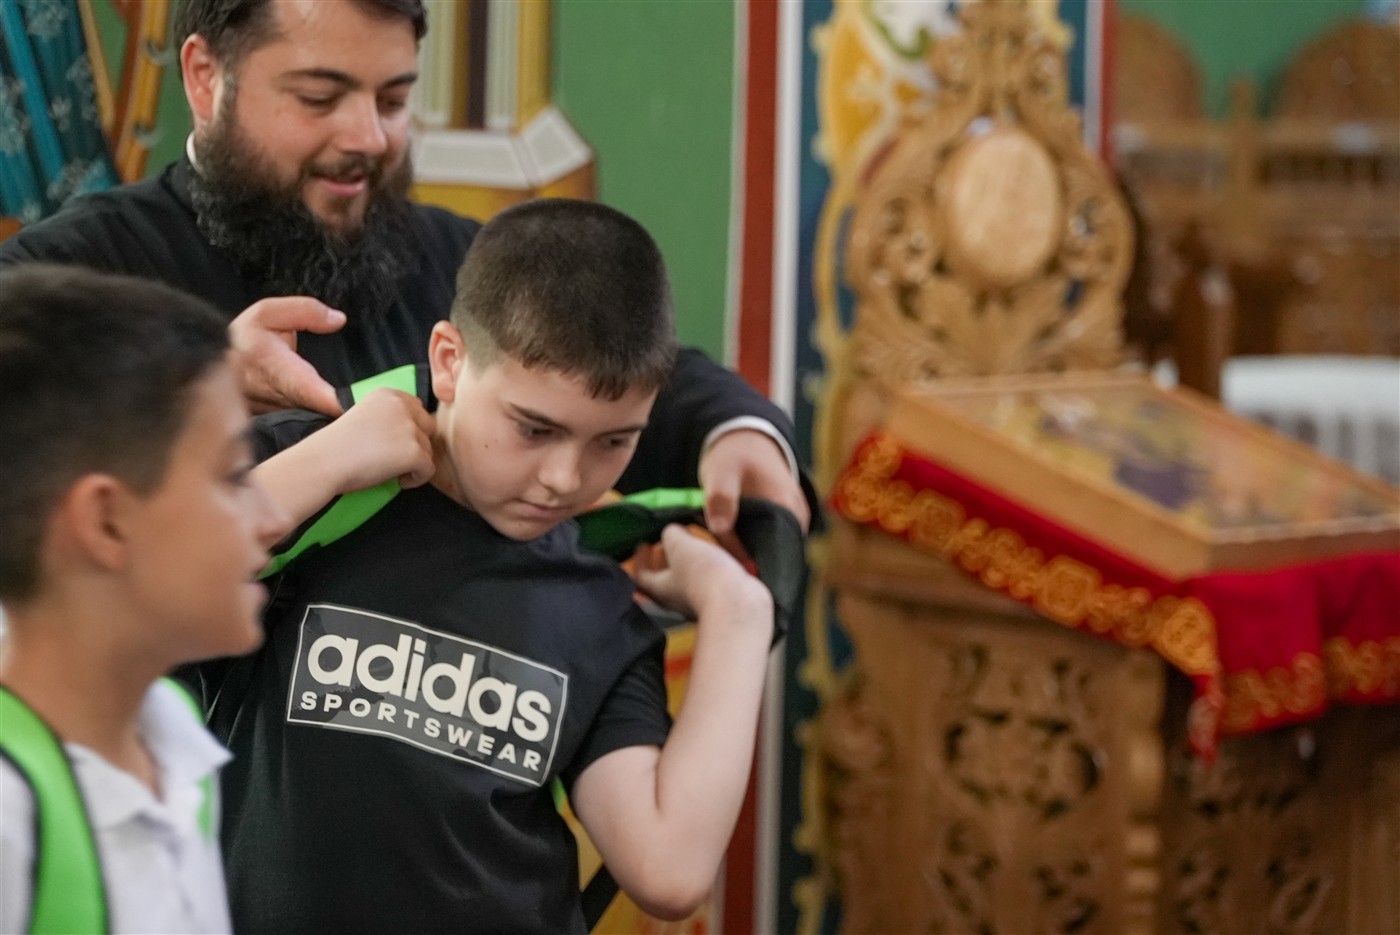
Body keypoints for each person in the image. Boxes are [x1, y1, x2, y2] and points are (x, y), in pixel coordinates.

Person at [0, 0, 813, 545]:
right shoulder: (76, 266)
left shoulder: (454, 258)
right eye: (320, 98)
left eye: (392, 101)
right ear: (206, 79)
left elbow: (640, 379)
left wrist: (738, 434)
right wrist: (194, 384)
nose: (369, 138)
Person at [202, 198, 775, 932]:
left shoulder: (596, 599)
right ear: (449, 361)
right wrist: (327, 460)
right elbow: (122, 595)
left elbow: (668, 870)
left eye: (613, 442)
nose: (564, 478)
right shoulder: (308, 478)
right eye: (533, 428)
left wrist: (738, 614)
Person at [0, 265, 285, 933]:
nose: (273, 518)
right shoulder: (12, 807)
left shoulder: (174, 734)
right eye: (235, 475)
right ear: (106, 522)